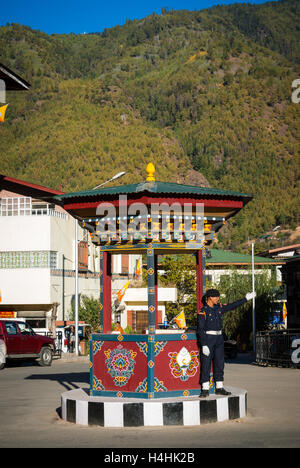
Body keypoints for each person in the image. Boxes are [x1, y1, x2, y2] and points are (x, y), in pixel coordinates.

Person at [197, 288, 256, 398]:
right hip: (208, 339)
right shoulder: (203, 311)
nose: (218, 299)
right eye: (216, 297)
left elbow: (232, 306)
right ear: (210, 298)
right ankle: (205, 388)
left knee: (220, 363)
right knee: (206, 363)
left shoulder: (219, 308)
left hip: (219, 338)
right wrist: (204, 344)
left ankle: (219, 387)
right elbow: (200, 329)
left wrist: (245, 299)